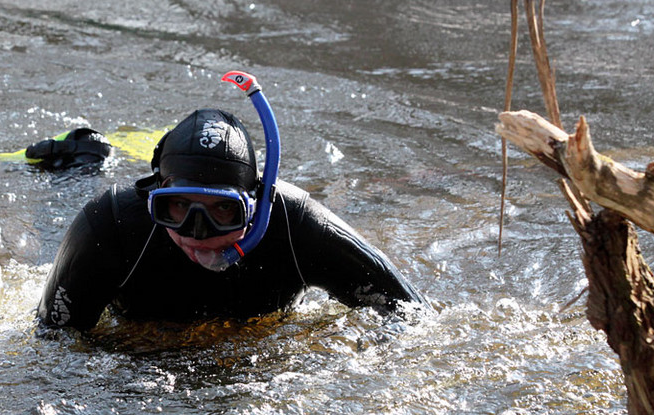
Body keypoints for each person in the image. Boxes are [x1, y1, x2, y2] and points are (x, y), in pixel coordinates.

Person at [36, 107, 426, 332]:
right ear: (154, 197)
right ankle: (83, 157)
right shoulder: (111, 226)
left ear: (256, 204)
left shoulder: (294, 224)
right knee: (63, 199)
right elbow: (53, 347)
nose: (198, 232)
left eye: (224, 209)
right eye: (177, 207)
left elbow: (412, 315)